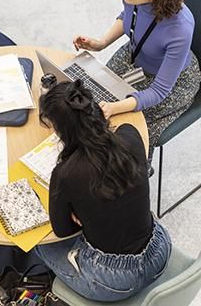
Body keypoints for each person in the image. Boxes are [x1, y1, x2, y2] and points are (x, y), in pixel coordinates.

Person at [35, 80, 171, 302]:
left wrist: (81, 213)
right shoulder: (130, 135)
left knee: (40, 245)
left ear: (62, 131)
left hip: (114, 281)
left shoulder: (66, 173)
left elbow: (62, 230)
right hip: (159, 251)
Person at [73, 0, 201, 168]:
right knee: (91, 97)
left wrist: (116, 108)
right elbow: (129, 17)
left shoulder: (180, 28)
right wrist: (101, 43)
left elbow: (159, 91)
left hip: (172, 82)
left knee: (128, 128)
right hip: (136, 55)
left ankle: (133, 174)